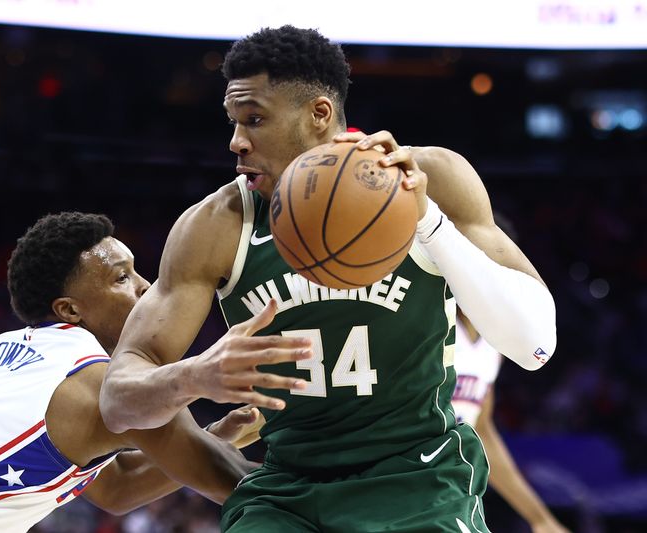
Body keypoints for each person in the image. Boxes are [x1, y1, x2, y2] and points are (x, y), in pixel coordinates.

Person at [100, 25, 558, 532]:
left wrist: (428, 221)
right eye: (232, 121)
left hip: (418, 481)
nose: (236, 141)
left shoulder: (427, 179)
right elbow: (119, 397)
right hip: (289, 491)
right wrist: (193, 375)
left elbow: (536, 347)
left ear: (318, 114)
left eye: (253, 119)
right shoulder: (216, 225)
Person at [0, 211, 307, 533]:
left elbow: (118, 489)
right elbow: (224, 478)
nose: (147, 288)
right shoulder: (95, 376)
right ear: (69, 310)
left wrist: (221, 431)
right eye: (122, 277)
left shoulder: (4, 347)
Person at [452, 214, 569, 533]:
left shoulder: (495, 344)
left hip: (451, 493)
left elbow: (482, 433)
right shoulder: (432, 326)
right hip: (405, 488)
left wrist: (539, 518)